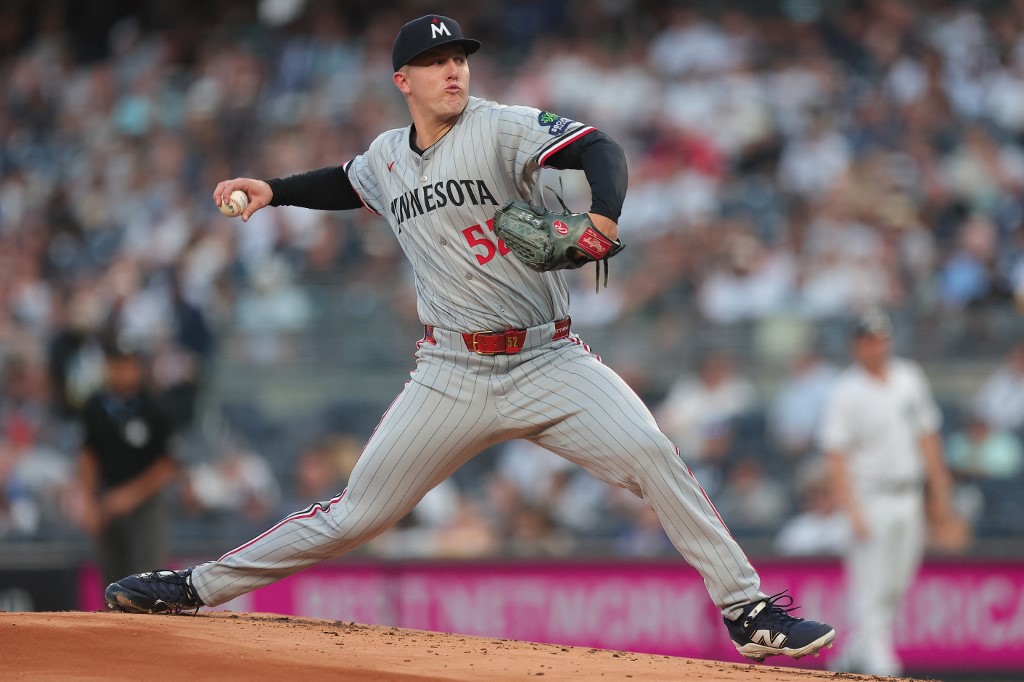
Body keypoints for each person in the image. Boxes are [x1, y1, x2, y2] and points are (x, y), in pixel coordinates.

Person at [103, 14, 835, 663]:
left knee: (650, 451)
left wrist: (604, 215)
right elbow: (348, 182)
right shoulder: (389, 155)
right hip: (450, 370)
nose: (453, 69)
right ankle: (192, 586)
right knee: (357, 514)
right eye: (435, 61)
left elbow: (599, 146)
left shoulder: (500, 125)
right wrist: (274, 188)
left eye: (460, 57)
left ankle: (748, 611)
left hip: (548, 358)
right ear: (404, 80)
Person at [820, 308, 955, 676]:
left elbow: (928, 438)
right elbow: (835, 456)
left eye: (880, 338)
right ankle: (884, 665)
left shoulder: (909, 378)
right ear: (855, 345)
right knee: (870, 585)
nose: (875, 346)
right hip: (870, 495)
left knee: (897, 583)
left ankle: (850, 655)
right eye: (867, 340)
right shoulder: (847, 389)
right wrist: (852, 509)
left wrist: (940, 494)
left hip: (909, 494)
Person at [76, 337, 179, 587]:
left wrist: (127, 496)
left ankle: (148, 627)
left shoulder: (154, 407)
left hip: (144, 506)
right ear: (108, 367)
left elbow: (167, 466)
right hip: (106, 500)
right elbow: (88, 454)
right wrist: (87, 500)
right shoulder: (95, 406)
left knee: (146, 579)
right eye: (118, 365)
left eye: (130, 364)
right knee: (112, 580)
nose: (125, 371)